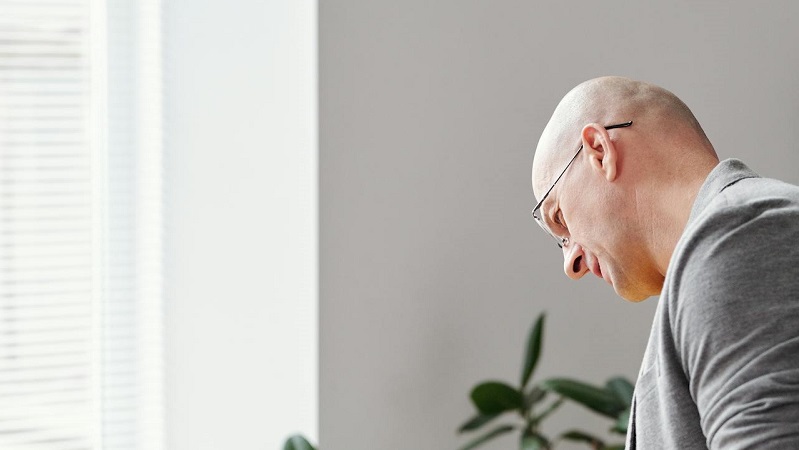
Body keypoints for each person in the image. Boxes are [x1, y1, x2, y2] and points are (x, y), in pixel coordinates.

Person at [531, 76, 799, 449]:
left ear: (599, 151)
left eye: (559, 217)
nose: (571, 263)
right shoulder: (725, 248)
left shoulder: (740, 237)